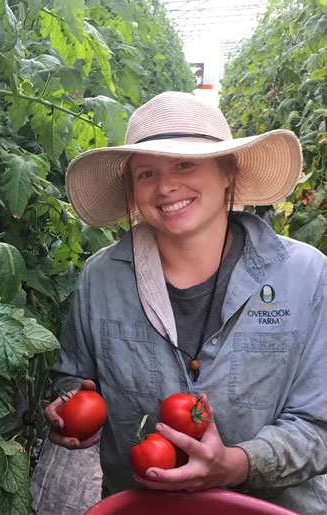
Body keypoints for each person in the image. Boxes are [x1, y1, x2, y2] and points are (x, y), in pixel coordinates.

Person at [43, 91, 327, 514]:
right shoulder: (101, 279)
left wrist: (237, 463)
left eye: (184, 164)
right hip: (141, 506)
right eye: (146, 173)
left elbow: (319, 425)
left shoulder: (305, 276)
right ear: (132, 189)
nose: (165, 187)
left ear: (227, 171)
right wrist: (70, 404)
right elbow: (75, 376)